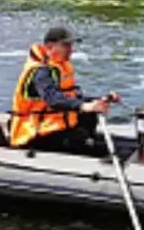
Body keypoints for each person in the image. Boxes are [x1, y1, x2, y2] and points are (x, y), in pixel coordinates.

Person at [7, 26, 119, 154]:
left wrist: (100, 100)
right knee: (95, 147)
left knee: (88, 116)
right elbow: (53, 99)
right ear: (50, 47)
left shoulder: (59, 66)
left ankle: (88, 141)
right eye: (66, 45)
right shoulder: (41, 72)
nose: (71, 50)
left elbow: (69, 96)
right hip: (35, 132)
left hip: (55, 126)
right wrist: (84, 106)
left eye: (71, 45)